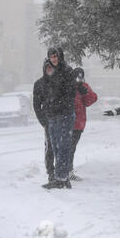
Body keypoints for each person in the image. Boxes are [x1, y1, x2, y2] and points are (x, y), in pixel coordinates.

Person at [40, 47, 77, 189]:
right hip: (53, 116)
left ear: (60, 56)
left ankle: (61, 178)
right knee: (55, 147)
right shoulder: (51, 72)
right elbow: (48, 94)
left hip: (65, 114)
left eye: (55, 56)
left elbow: (69, 94)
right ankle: (62, 177)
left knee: (63, 146)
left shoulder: (67, 71)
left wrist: (57, 104)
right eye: (51, 56)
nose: (54, 59)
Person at [69, 67, 98, 181]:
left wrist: (84, 92)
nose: (78, 79)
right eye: (77, 76)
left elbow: (91, 100)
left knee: (72, 148)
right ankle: (65, 171)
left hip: (78, 124)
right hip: (68, 123)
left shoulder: (84, 87)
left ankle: (68, 171)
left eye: (81, 76)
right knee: (67, 148)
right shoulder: (68, 86)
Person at [33, 58, 56, 183]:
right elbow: (36, 106)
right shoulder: (39, 84)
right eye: (47, 68)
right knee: (50, 148)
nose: (50, 70)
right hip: (49, 121)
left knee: (62, 147)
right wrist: (44, 122)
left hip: (61, 120)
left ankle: (62, 171)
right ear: (44, 69)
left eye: (51, 68)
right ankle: (51, 172)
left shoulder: (60, 82)